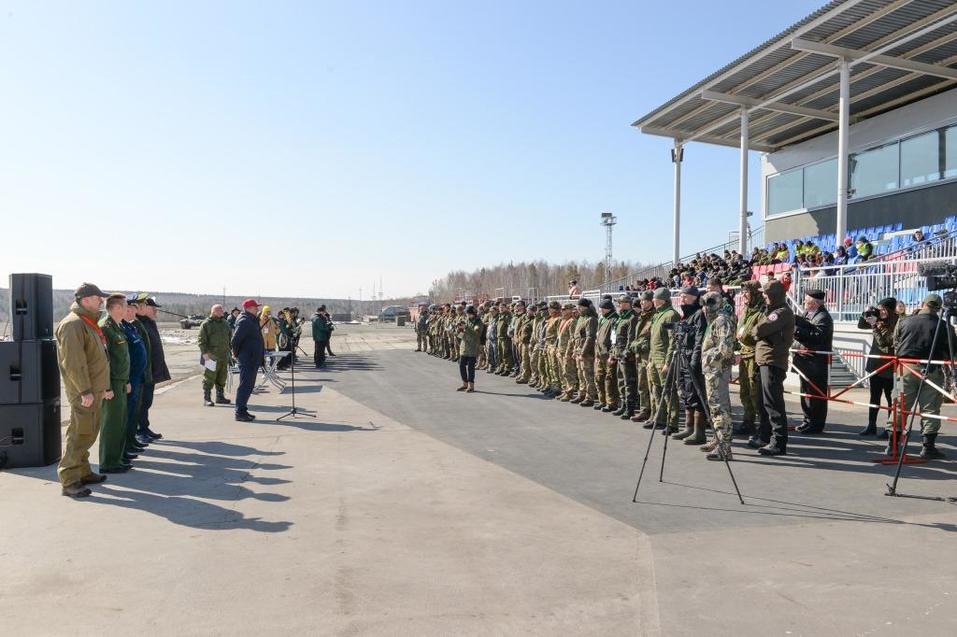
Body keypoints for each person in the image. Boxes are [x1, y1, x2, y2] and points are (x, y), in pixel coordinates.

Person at [55, 283, 111, 497]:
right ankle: (69, 480)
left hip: (94, 390)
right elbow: (74, 363)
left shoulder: (87, 323)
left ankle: (83, 471)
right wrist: (85, 390)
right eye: (99, 299)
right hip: (84, 392)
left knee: (88, 432)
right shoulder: (73, 325)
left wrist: (103, 387)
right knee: (78, 434)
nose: (101, 302)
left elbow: (96, 359)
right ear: (86, 300)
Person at [893, 293, 951, 459]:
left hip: (904, 369)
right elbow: (951, 350)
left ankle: (892, 444)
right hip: (931, 370)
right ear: (939, 308)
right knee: (931, 409)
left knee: (899, 405)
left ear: (922, 304)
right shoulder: (943, 325)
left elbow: (896, 343)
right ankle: (928, 447)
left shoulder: (904, 321)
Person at [750, 280, 795, 456]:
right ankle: (765, 436)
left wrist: (756, 331)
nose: (763, 296)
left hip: (773, 361)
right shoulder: (772, 311)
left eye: (766, 294)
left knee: (773, 403)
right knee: (763, 402)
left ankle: (778, 442)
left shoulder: (782, 312)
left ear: (774, 295)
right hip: (765, 360)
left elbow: (758, 330)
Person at [97, 294, 132, 474]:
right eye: (125, 306)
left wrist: (126, 381)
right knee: (111, 423)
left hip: (120, 382)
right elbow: (105, 360)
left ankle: (117, 459)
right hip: (111, 384)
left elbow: (121, 359)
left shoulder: (117, 327)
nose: (127, 309)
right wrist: (107, 386)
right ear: (117, 308)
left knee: (120, 422)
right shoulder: (105, 327)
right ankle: (108, 462)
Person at [699, 291, 736, 460]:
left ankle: (724, 447)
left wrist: (708, 358)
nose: (705, 307)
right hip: (712, 370)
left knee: (720, 408)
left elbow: (725, 349)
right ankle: (717, 439)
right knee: (714, 407)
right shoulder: (714, 321)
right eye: (704, 303)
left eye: (709, 303)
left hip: (717, 370)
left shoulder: (722, 321)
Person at [793, 289, 833, 434]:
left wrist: (795, 330)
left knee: (816, 395)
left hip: (815, 362)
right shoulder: (807, 314)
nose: (804, 303)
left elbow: (817, 337)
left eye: (807, 301)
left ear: (815, 303)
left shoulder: (823, 317)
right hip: (804, 361)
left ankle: (816, 424)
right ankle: (807, 420)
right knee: (805, 393)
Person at [857, 298, 898, 438]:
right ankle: (871, 425)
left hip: (889, 367)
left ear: (891, 310)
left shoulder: (897, 323)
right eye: (879, 309)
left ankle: (890, 429)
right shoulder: (878, 320)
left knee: (890, 399)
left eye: (883, 309)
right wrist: (866, 313)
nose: (881, 312)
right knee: (874, 397)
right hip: (875, 365)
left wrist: (874, 326)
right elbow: (861, 325)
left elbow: (885, 345)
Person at [672, 287, 708, 445]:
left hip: (692, 358)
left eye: (685, 297)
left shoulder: (699, 314)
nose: (682, 300)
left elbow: (699, 339)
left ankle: (699, 432)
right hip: (682, 357)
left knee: (696, 395)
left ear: (694, 297)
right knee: (686, 393)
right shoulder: (685, 315)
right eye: (681, 296)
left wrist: (695, 360)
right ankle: (688, 427)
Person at [735, 281, 769, 442]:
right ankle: (748, 421)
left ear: (755, 293)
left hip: (755, 356)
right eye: (743, 292)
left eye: (746, 292)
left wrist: (746, 336)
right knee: (745, 391)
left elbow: (760, 334)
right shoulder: (746, 311)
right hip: (744, 355)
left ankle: (762, 427)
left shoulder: (762, 311)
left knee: (756, 394)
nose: (744, 295)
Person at [135, 294, 169, 443]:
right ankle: (138, 431)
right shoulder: (136, 323)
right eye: (153, 308)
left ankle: (144, 427)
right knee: (140, 402)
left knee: (147, 401)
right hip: (142, 372)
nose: (155, 311)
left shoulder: (149, 322)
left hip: (151, 371)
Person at [645, 287, 679, 432]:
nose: (652, 300)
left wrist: (668, 362)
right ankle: (660, 418)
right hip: (654, 359)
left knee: (668, 392)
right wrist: (650, 360)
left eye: (655, 298)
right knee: (656, 390)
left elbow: (673, 341)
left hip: (663, 361)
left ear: (662, 299)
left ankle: (672, 422)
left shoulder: (671, 315)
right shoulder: (658, 314)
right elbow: (654, 340)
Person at [122, 298, 148, 467]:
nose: (131, 312)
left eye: (133, 309)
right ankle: (123, 448)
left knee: (133, 413)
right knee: (126, 415)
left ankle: (130, 442)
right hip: (129, 378)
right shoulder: (118, 328)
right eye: (128, 309)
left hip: (137, 377)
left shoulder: (130, 326)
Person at [231, 299, 265, 422]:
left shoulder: (251, 319)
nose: (257, 309)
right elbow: (235, 340)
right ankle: (239, 412)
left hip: (252, 358)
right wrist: (236, 353)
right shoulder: (245, 320)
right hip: (247, 359)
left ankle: (243, 410)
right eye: (255, 307)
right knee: (245, 385)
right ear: (249, 308)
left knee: (249, 386)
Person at [198, 304, 232, 407]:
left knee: (222, 376)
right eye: (219, 310)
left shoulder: (225, 323)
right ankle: (207, 398)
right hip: (210, 354)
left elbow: (229, 337)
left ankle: (220, 397)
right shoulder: (206, 324)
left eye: (222, 310)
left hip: (224, 354)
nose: (221, 312)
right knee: (209, 377)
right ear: (213, 312)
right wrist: (204, 353)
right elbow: (201, 340)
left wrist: (230, 352)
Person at [629, 290, 655, 423]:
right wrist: (634, 344)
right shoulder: (642, 315)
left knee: (651, 386)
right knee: (642, 385)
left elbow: (649, 336)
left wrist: (639, 345)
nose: (642, 302)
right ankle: (645, 410)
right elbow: (638, 335)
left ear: (652, 301)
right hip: (640, 355)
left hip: (649, 354)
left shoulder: (653, 316)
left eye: (645, 300)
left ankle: (652, 413)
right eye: (641, 300)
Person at [571, 298, 598, 407]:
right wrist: (575, 350)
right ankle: (581, 393)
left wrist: (583, 352)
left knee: (588, 375)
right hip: (579, 350)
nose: (578, 309)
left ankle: (590, 396)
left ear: (586, 307)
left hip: (586, 352)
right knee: (580, 374)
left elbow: (590, 337)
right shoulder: (581, 318)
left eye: (580, 307)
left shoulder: (591, 319)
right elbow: (577, 336)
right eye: (578, 307)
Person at [595, 298, 618, 412]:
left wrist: (611, 355)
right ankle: (602, 400)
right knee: (599, 378)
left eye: (603, 308)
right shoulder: (602, 319)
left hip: (607, 354)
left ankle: (611, 402)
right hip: (600, 354)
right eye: (601, 308)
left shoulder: (613, 319)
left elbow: (614, 339)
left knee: (609, 380)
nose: (601, 310)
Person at [456, 305, 483, 392]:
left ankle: (471, 386)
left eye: (469, 314)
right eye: (467, 314)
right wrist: (459, 329)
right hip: (464, 347)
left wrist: (466, 328)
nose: (467, 315)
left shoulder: (478, 322)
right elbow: (461, 335)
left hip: (473, 347)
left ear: (473, 314)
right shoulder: (466, 321)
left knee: (471, 367)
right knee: (461, 365)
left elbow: (476, 334)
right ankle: (465, 384)